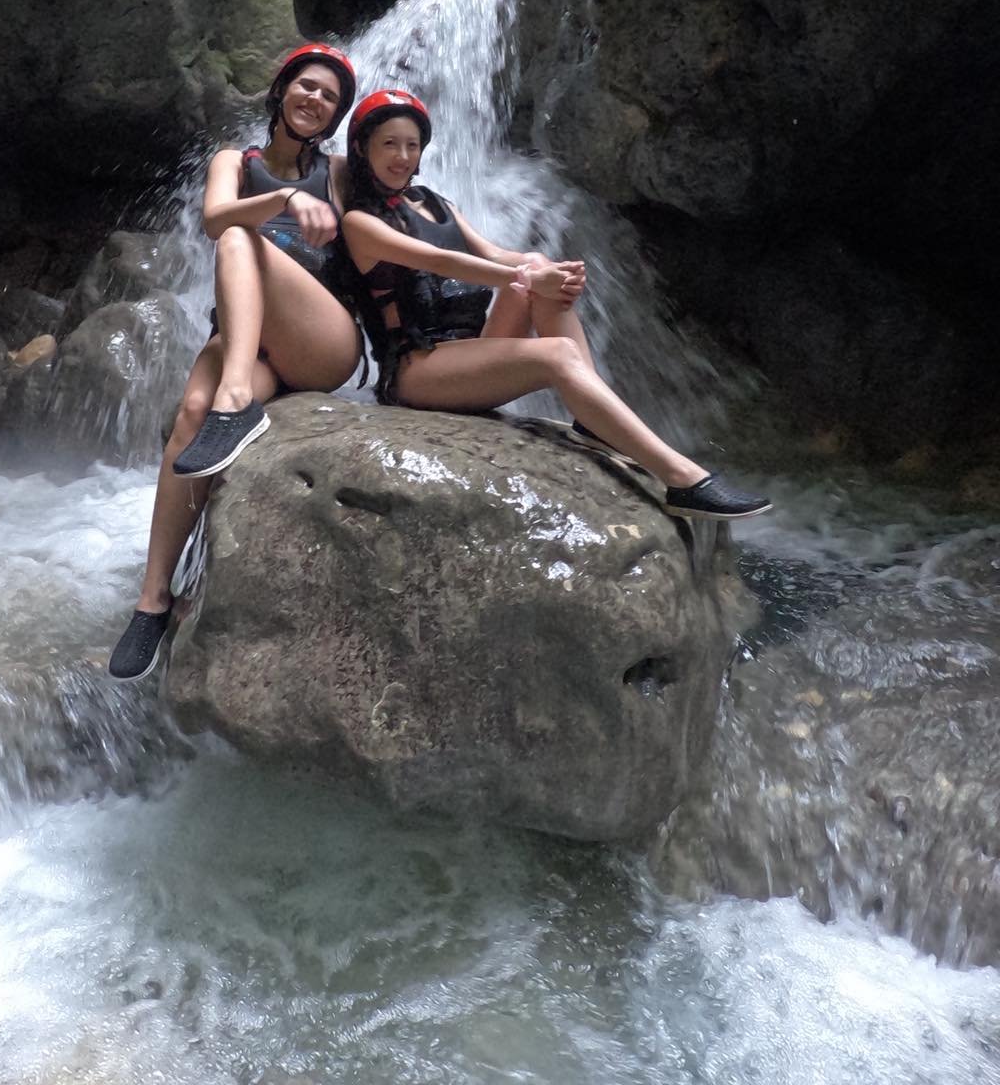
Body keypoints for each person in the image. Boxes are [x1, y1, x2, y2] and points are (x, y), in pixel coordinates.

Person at [340, 89, 771, 521]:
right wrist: (529, 277)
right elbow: (441, 261)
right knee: (556, 349)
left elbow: (494, 255)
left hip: (469, 351)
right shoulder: (360, 223)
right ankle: (681, 478)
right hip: (417, 372)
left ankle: (593, 420)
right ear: (362, 148)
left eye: (412, 145)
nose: (402, 156)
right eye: (389, 144)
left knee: (536, 265)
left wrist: (552, 272)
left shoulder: (435, 203)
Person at [108, 44, 364, 680]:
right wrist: (284, 201)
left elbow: (398, 197)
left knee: (238, 238)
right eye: (307, 86)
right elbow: (213, 215)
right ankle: (153, 600)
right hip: (249, 345)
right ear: (281, 91)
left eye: (329, 97)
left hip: (322, 341)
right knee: (191, 413)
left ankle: (235, 402)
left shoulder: (337, 173)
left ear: (336, 116)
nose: (315, 100)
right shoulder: (235, 161)